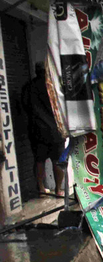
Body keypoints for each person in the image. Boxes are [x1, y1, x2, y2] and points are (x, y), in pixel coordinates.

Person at [22, 62, 65, 197]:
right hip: (55, 130)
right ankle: (58, 190)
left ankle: (41, 189)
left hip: (36, 130)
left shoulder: (28, 87)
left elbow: (24, 106)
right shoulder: (53, 86)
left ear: (36, 71)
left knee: (39, 160)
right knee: (58, 161)